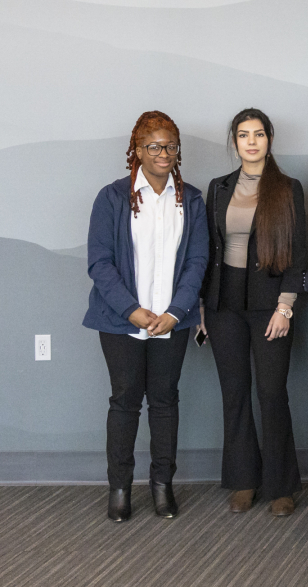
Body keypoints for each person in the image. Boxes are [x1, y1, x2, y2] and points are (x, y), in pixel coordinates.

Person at [84, 111, 208, 522]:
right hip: (121, 323)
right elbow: (100, 263)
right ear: (136, 150)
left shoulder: (189, 199)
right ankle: (119, 488)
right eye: (153, 146)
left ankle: (162, 486)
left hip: (172, 323)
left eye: (170, 145)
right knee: (124, 402)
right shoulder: (112, 197)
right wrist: (132, 311)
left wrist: (176, 312)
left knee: (165, 401)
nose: (163, 153)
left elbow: (197, 261)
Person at [201, 109, 307, 516]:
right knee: (235, 392)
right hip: (224, 304)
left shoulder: (288, 187)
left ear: (269, 139)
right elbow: (208, 249)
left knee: (271, 392)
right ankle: (243, 479)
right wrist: (202, 307)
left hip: (270, 305)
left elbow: (298, 254)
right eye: (243, 135)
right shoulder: (218, 188)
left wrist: (286, 306)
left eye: (258, 134)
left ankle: (281, 484)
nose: (251, 142)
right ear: (234, 142)